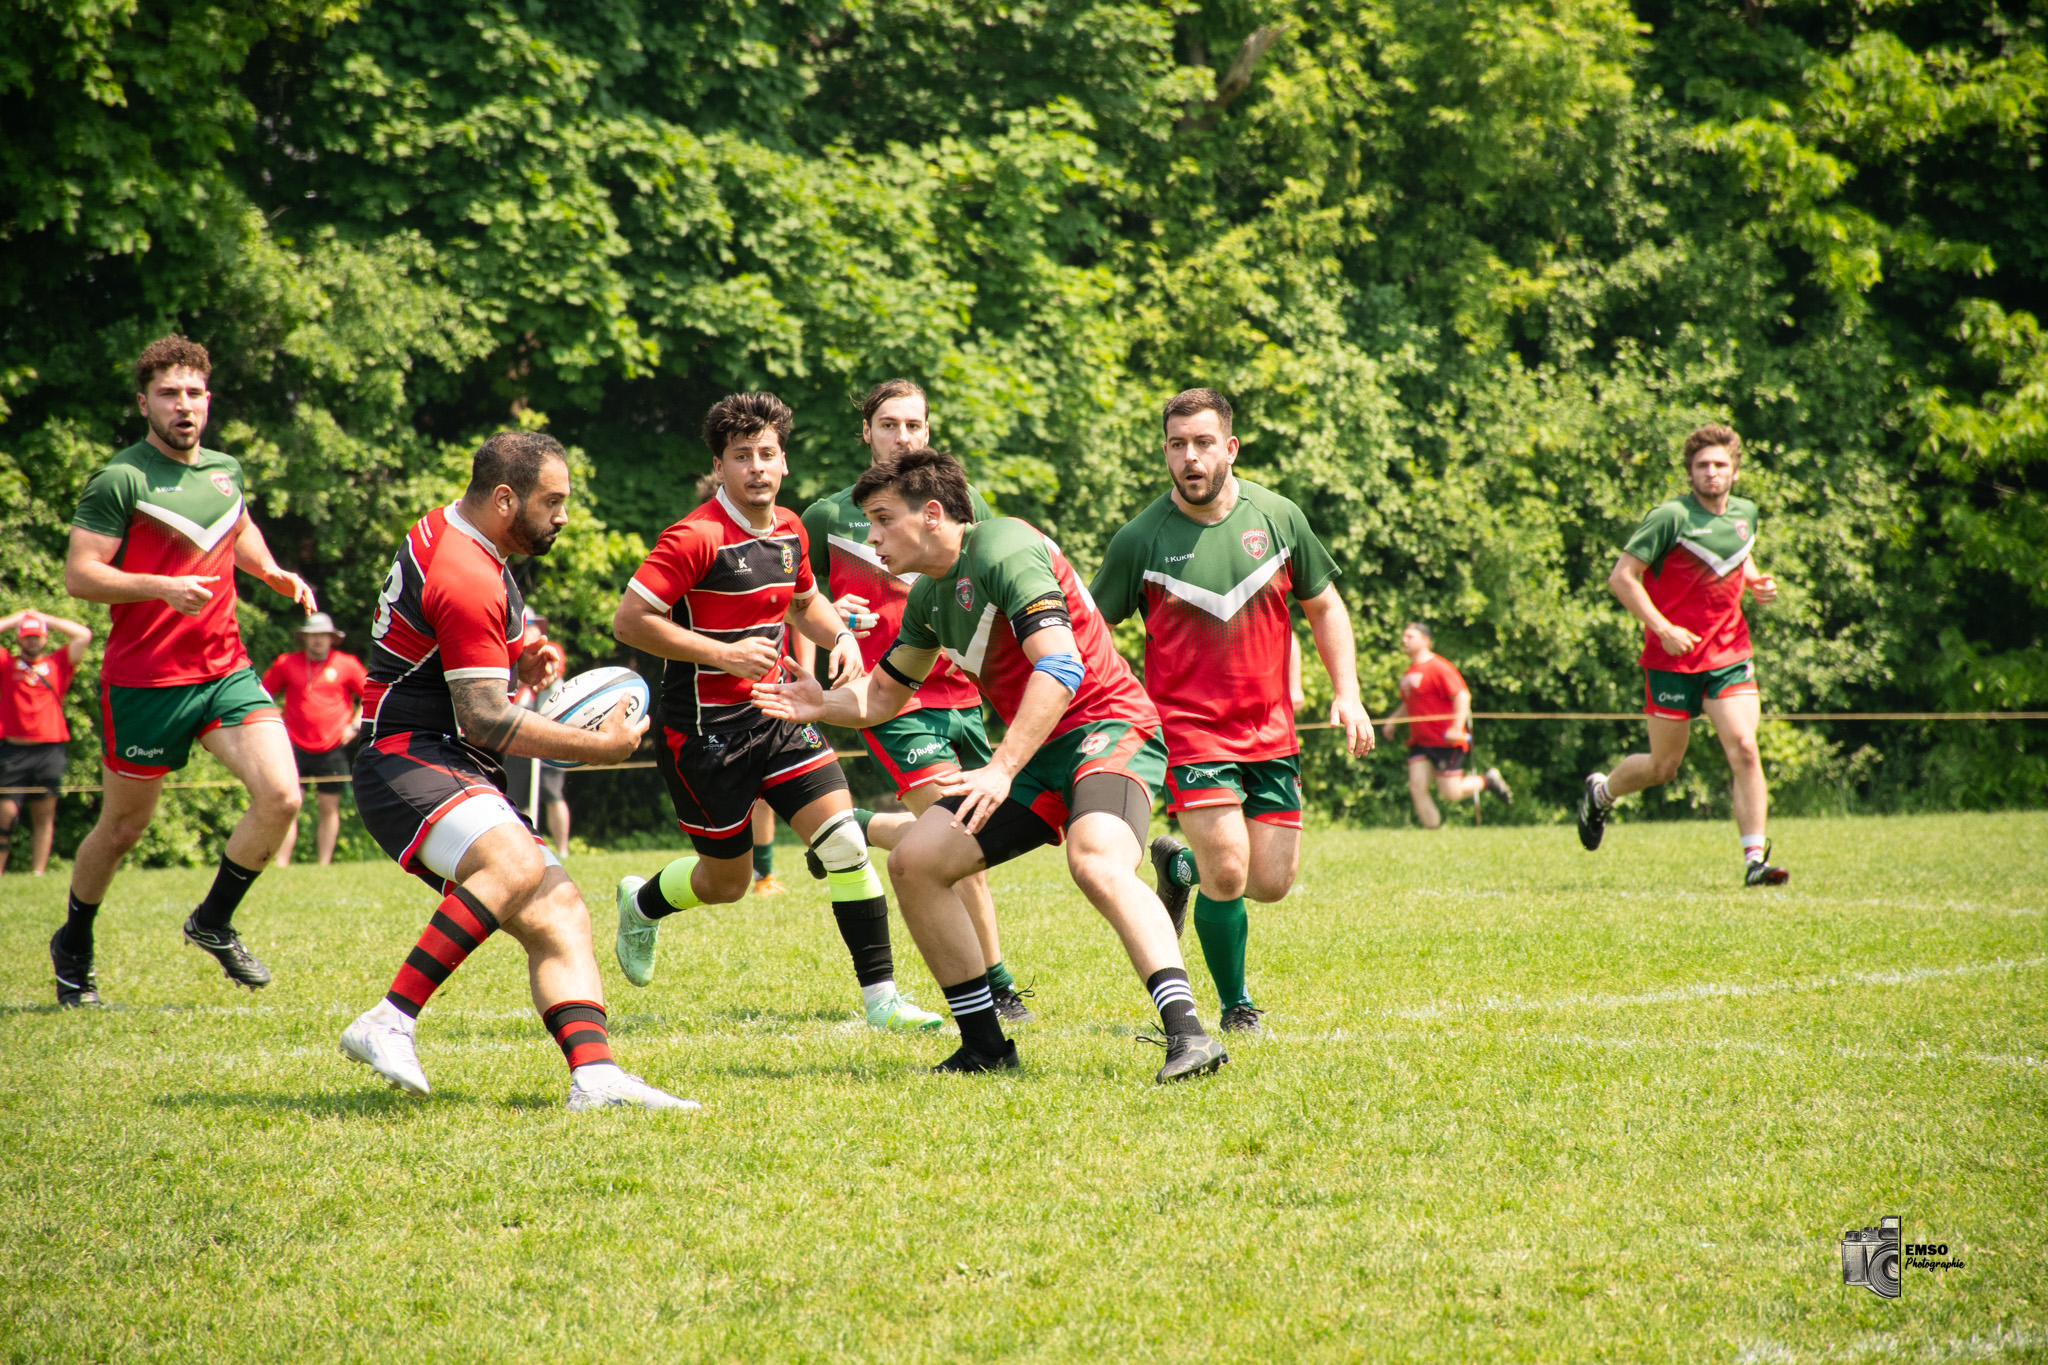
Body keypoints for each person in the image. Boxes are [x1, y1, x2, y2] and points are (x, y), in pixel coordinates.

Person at [755, 447, 1230, 1083]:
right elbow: (883, 696)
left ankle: (1190, 1036)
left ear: (932, 514)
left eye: (883, 519)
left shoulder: (1004, 545)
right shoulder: (929, 596)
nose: (871, 538)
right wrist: (821, 704)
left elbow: (1060, 666)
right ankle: (984, 1046)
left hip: (1108, 728)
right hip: (1034, 755)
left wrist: (1001, 768)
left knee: (1094, 861)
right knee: (916, 862)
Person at [339, 430, 692, 1111]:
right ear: (506, 498)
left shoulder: (468, 539)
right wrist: (599, 748)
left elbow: (456, 642)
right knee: (518, 864)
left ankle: (596, 1077)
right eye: (552, 501)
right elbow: (483, 718)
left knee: (561, 910)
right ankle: (389, 1018)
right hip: (410, 757)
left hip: (443, 755)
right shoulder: (466, 572)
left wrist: (522, 653)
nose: (564, 515)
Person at [610, 391, 943, 1033]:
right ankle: (643, 904)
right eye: (742, 456)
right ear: (719, 466)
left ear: (784, 461)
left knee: (845, 842)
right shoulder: (694, 537)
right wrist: (721, 654)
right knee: (726, 883)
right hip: (704, 735)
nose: (757, 467)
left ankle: (883, 1002)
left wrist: (840, 636)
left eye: (767, 454)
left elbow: (804, 600)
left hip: (778, 716)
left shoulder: (790, 527)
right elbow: (630, 621)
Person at [1091, 388, 1376, 1034]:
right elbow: (1092, 627)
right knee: (1228, 871)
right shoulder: (1140, 538)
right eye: (1177, 445)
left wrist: (1347, 692)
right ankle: (1235, 1005)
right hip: (1188, 732)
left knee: (1269, 881)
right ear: (1165, 451)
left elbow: (1324, 605)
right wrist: (1119, 696)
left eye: (1202, 443)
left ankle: (1178, 867)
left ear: (1230, 447)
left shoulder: (1277, 517)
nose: (1189, 457)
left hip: (1271, 730)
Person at [50, 335, 317, 1009]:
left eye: (194, 393)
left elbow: (237, 525)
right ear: (144, 403)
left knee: (282, 796)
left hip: (224, 670)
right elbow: (80, 575)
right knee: (122, 830)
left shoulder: (225, 470)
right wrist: (160, 587)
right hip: (145, 683)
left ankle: (213, 920)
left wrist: (271, 570)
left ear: (209, 400)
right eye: (168, 394)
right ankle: (73, 944)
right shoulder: (121, 479)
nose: (184, 405)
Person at [801, 379, 1033, 1022]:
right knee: (961, 832)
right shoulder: (829, 515)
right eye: (889, 425)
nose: (903, 437)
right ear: (866, 433)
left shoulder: (962, 503)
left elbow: (988, 577)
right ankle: (997, 987)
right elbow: (798, 599)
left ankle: (851, 827)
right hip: (888, 695)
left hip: (964, 689)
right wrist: (834, 619)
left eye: (914, 425)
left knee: (976, 833)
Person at [1577, 423, 1789, 886]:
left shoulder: (1746, 514)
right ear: (1689, 473)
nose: (1712, 472)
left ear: (1735, 471)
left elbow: (1738, 555)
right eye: (1702, 465)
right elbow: (1621, 578)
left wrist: (1757, 582)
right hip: (1672, 659)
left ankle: (1755, 861)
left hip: (1729, 653)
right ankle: (1602, 794)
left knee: (1745, 747)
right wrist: (1663, 627)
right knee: (1663, 767)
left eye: (1720, 465)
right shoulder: (1670, 517)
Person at [262, 612, 367, 867]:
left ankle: (324, 864)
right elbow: (263, 694)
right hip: (293, 745)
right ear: (304, 638)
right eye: (313, 635)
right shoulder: (286, 663)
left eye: (323, 635)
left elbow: (371, 697)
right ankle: (282, 864)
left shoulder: (347, 664)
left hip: (332, 747)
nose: (318, 640)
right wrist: (273, 726)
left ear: (332, 638)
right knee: (288, 805)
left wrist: (354, 726)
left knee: (328, 806)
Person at [1384, 623, 1512, 828]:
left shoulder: (1439, 667)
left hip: (1444, 740)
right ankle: (1433, 832)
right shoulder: (1409, 673)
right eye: (1403, 636)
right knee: (1417, 787)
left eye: (1410, 636)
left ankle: (1487, 780)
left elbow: (1462, 695)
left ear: (1426, 640)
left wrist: (1456, 727)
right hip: (1420, 742)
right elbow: (1410, 703)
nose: (1404, 640)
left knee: (1451, 793)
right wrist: (1392, 721)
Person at [0, 610, 92, 876]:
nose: (32, 641)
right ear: (19, 639)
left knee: (44, 816)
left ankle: (37, 874)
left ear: (45, 638)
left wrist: (43, 618)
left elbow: (83, 635)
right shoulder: (7, 664)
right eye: (27, 636)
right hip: (12, 751)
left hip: (49, 750)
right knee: (5, 818)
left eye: (37, 636)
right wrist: (19, 617)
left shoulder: (58, 664)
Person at [503, 607, 572, 857]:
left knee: (553, 796)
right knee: (517, 800)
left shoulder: (550, 649)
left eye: (534, 625)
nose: (531, 630)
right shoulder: (507, 657)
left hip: (550, 737)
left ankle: (562, 850)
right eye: (527, 625)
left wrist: (526, 669)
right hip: (519, 740)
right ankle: (527, 849)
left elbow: (552, 667)